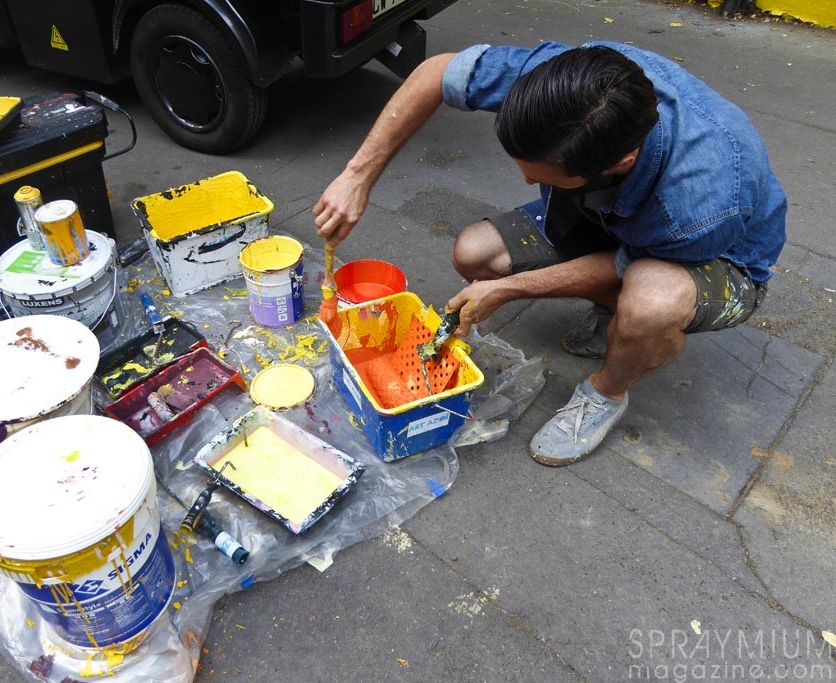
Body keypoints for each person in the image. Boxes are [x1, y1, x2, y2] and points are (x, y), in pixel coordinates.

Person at [313, 42, 786, 466]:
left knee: (648, 302)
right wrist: (358, 176)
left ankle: (606, 391)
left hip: (718, 260)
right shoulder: (564, 82)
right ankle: (610, 314)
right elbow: (438, 71)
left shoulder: (701, 203)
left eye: (543, 176)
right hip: (610, 212)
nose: (525, 183)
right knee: (476, 253)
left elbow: (626, 267)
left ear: (617, 163)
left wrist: (509, 289)